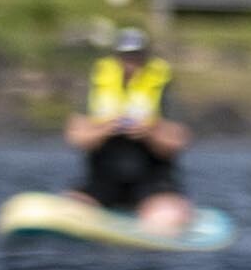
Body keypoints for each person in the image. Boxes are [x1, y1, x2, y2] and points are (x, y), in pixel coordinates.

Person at [63, 25, 199, 236]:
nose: (131, 63)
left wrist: (149, 132)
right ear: (116, 56)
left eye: (136, 56)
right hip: (103, 180)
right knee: (71, 210)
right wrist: (106, 129)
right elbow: (75, 136)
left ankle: (164, 215)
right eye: (126, 56)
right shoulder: (98, 81)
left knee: (165, 219)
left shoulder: (160, 83)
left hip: (151, 181)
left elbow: (178, 141)